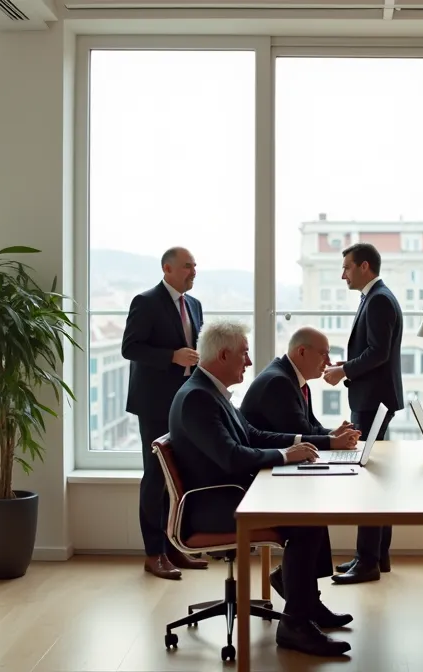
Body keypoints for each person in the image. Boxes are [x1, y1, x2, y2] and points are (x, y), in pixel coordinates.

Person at [168, 321, 353, 657]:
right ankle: (296, 625)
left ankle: (304, 608)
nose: (250, 362)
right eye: (244, 354)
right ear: (224, 355)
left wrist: (309, 444)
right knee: (304, 522)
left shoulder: (209, 391)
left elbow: (252, 435)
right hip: (213, 505)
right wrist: (286, 455)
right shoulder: (198, 397)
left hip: (230, 492)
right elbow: (231, 457)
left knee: (308, 514)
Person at [122, 247, 210, 580]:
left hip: (186, 403)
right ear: (167, 268)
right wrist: (172, 356)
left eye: (195, 266)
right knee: (156, 477)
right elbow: (130, 347)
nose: (193, 271)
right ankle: (153, 553)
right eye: (188, 266)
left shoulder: (196, 306)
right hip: (155, 405)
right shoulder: (145, 302)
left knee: (181, 478)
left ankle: (176, 547)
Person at [321, 242, 403, 585]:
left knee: (367, 478)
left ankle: (367, 560)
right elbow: (373, 352)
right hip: (372, 397)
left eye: (347, 268)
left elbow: (378, 353)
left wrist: (344, 371)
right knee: (374, 478)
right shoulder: (376, 297)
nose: (343, 275)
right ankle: (376, 556)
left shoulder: (380, 299)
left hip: (372, 401)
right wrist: (347, 366)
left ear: (365, 266)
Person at [239, 326, 360, 448]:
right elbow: (301, 434)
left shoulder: (294, 379)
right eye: (323, 354)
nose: (329, 361)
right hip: (264, 464)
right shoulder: (278, 383)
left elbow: (312, 428)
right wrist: (333, 440)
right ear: (302, 352)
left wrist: (333, 433)